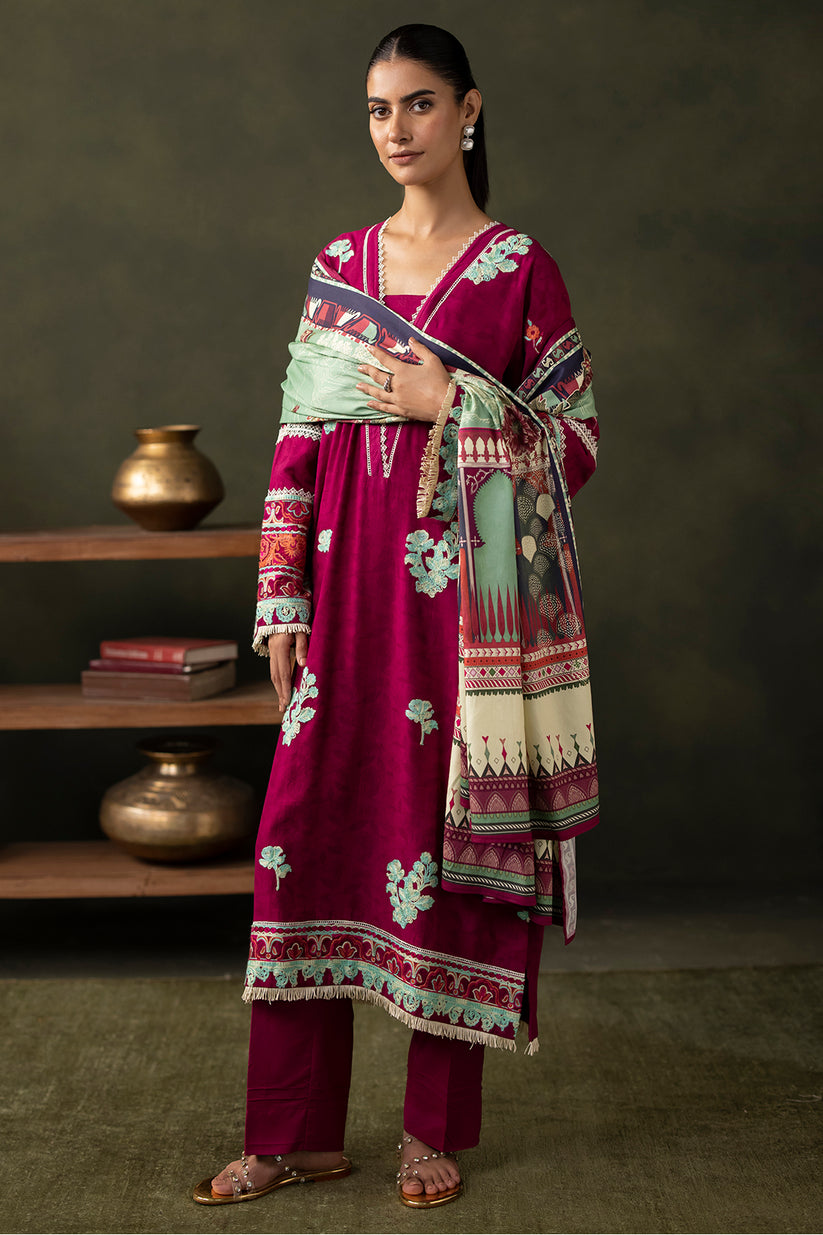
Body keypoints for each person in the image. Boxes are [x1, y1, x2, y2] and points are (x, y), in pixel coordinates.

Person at [193, 22, 599, 1210]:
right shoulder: (341, 263)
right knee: (300, 832)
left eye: (418, 105)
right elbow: (295, 442)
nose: (397, 130)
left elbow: (573, 443)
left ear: (468, 110)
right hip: (344, 593)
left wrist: (452, 399)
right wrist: (280, 598)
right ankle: (289, 1132)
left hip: (464, 617)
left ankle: (433, 1130)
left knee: (444, 845)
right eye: (377, 111)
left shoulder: (519, 265)